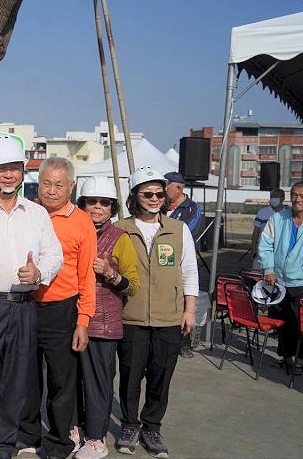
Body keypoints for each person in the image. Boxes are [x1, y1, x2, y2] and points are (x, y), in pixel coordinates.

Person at [0, 135, 63, 459]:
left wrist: (39, 273)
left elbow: (54, 255)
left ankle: (2, 448)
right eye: (0, 168)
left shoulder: (37, 213)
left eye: (14, 168)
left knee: (15, 386)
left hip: (23, 308)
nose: (8, 175)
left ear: (22, 170)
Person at [114, 167, 197, 458]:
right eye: (147, 194)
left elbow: (189, 271)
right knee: (130, 375)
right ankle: (129, 425)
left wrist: (189, 310)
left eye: (159, 194)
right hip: (131, 317)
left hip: (169, 317)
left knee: (161, 376)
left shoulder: (178, 229)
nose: (154, 199)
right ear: (134, 196)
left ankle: (152, 427)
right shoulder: (120, 229)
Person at [17, 157, 97, 459]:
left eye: (59, 185)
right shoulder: (27, 212)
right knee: (26, 375)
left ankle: (60, 440)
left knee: (61, 380)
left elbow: (87, 275)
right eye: (46, 183)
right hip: (25, 305)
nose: (51, 191)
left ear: (71, 186)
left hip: (62, 309)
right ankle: (28, 435)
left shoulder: (82, 222)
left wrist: (83, 320)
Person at [73, 177, 140, 459]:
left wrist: (111, 274)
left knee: (98, 384)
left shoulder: (120, 238)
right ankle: (74, 430)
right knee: (70, 380)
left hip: (102, 323)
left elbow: (133, 286)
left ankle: (96, 439)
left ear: (112, 208)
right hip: (71, 319)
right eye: (92, 202)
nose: (97, 207)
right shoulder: (73, 230)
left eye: (104, 203)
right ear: (82, 204)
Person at [258, 180, 303, 373]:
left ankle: (300, 358)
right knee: (284, 322)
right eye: (294, 195)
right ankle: (287, 357)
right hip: (279, 281)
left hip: (300, 282)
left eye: (301, 196)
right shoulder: (278, 218)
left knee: (299, 321)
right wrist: (268, 269)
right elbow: (265, 244)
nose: (297, 199)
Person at [164, 171, 205, 357]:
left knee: (183, 300)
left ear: (178, 188)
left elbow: (188, 233)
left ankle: (184, 343)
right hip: (162, 261)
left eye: (167, 187)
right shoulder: (161, 206)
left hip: (181, 262)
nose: (164, 190)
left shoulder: (192, 208)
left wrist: (165, 238)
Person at [251, 188, 287, 268]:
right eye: (272, 197)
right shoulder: (262, 212)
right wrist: (253, 248)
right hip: (262, 248)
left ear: (283, 198)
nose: (273, 199)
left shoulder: (288, 214)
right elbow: (256, 231)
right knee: (257, 271)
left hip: (280, 249)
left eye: (276, 197)